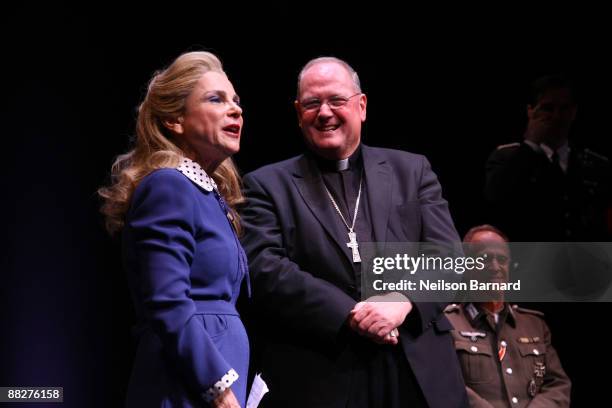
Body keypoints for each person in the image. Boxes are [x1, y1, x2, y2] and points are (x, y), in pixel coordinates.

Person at [240, 57, 468, 408]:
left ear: (361, 106)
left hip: (416, 364)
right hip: (324, 368)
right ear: (299, 112)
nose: (325, 112)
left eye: (336, 100)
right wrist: (349, 313)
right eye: (312, 103)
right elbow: (264, 267)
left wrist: (400, 302)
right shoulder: (267, 184)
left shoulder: (411, 169)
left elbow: (448, 257)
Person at [99, 51, 249, 408]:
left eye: (236, 101)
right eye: (216, 99)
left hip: (210, 379)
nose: (236, 110)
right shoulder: (169, 186)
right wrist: (218, 388)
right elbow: (168, 302)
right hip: (186, 383)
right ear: (175, 120)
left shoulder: (206, 193)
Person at [445, 224, 571, 407]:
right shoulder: (448, 323)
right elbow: (447, 384)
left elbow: (558, 385)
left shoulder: (534, 324)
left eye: (502, 259)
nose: (495, 267)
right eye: (485, 259)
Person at [485, 74, 611, 242]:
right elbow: (495, 199)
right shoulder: (507, 158)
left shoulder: (594, 164)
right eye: (548, 108)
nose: (557, 117)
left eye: (564, 108)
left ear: (573, 112)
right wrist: (531, 144)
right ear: (531, 111)